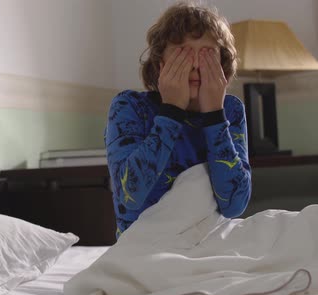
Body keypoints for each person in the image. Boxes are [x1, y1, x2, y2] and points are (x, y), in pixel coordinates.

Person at [105, 2, 251, 239]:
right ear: (160, 63)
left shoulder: (231, 110)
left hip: (210, 243)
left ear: (222, 64)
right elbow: (130, 196)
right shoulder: (130, 106)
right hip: (144, 246)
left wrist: (214, 115)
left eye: (206, 53)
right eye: (182, 52)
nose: (194, 65)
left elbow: (234, 205)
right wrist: (171, 111)